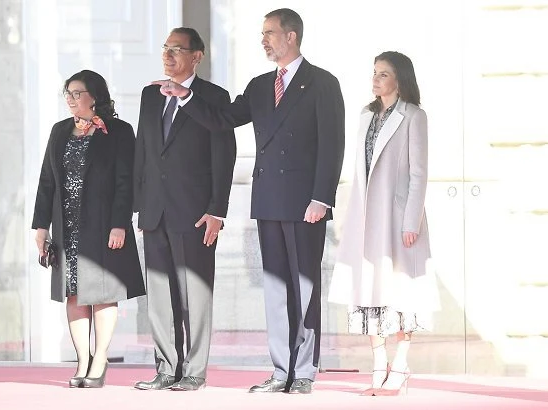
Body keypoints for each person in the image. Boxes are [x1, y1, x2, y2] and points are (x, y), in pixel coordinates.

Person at [152, 9, 345, 394]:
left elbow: (332, 143)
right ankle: (280, 371)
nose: (264, 40)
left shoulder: (322, 82)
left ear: (291, 37)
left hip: (306, 203)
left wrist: (322, 197)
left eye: (270, 33)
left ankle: (303, 371)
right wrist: (187, 97)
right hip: (270, 198)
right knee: (274, 287)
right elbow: (224, 119)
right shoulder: (259, 86)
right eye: (262, 34)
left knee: (304, 286)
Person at [132, 28, 236, 392]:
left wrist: (217, 210)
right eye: (165, 48)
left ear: (197, 56)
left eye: (177, 49)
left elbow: (224, 155)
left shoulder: (214, 97)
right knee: (159, 294)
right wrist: (139, 206)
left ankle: (194, 370)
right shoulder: (149, 94)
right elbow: (143, 152)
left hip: (195, 212)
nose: (168, 55)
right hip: (155, 210)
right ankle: (166, 367)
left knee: (195, 293)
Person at [332, 51, 439, 396]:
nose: (375, 79)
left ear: (400, 79)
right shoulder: (366, 115)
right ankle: (379, 364)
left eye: (384, 73)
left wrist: (412, 220)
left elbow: (419, 173)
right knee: (368, 290)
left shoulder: (414, 116)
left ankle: (402, 363)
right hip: (365, 219)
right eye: (374, 72)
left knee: (401, 291)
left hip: (397, 219)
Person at [32, 70, 145, 388]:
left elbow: (126, 182)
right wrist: (41, 227)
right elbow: (46, 182)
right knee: (75, 294)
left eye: (77, 93)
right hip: (66, 226)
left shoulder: (119, 131)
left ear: (94, 96)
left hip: (103, 225)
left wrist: (120, 224)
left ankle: (101, 358)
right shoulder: (59, 131)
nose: (70, 99)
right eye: (66, 93)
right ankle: (82, 359)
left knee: (103, 294)